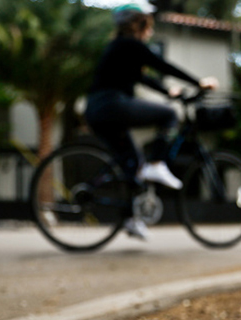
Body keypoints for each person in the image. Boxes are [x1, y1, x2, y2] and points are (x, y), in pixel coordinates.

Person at [84, 3, 218, 240]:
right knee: (169, 115)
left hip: (98, 110)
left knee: (132, 164)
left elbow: (142, 77)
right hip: (112, 105)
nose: (150, 32)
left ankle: (130, 220)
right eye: (149, 26)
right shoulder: (130, 44)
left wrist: (168, 92)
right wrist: (198, 82)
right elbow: (162, 65)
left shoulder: (119, 47)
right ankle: (157, 163)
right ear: (140, 24)